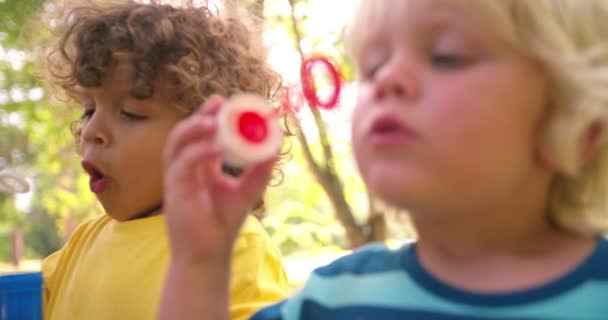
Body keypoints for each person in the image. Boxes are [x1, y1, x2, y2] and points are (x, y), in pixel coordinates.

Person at [158, 0, 608, 319]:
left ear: (575, 129)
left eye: (446, 56)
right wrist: (200, 262)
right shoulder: (331, 300)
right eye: (372, 66)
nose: (388, 78)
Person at [40, 1, 289, 320]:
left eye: (129, 113)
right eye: (89, 110)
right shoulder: (82, 244)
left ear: (210, 140)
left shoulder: (233, 247)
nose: (90, 130)